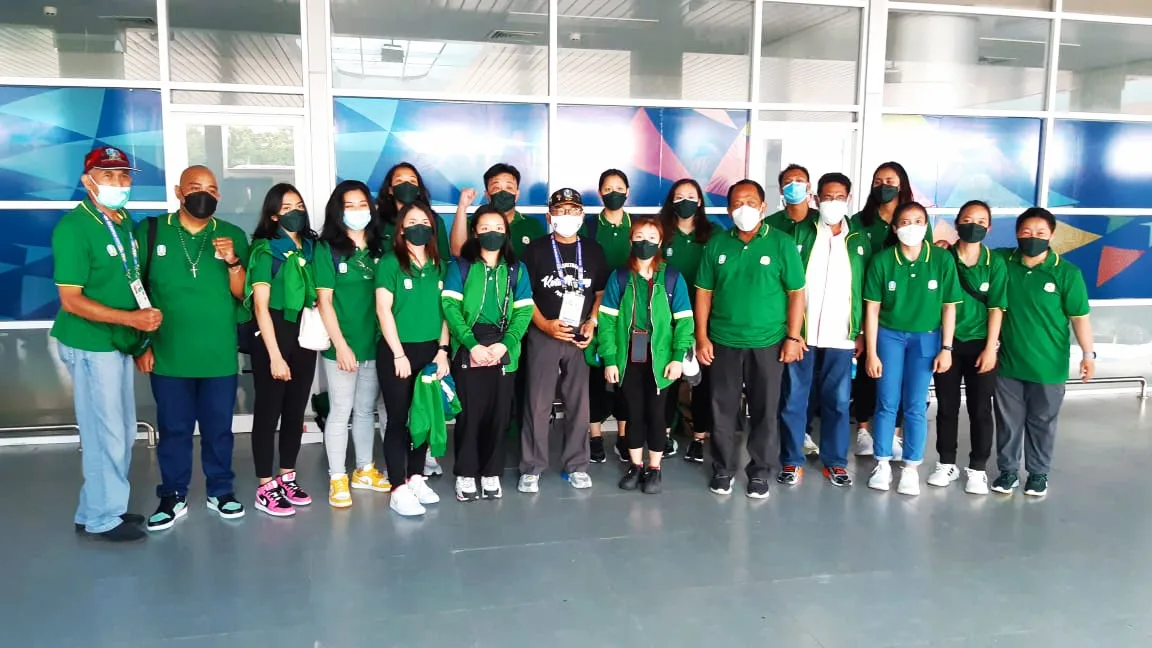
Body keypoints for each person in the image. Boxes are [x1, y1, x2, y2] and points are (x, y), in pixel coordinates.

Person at [52, 146, 159, 542]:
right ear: (88, 180)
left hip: (116, 341)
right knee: (105, 433)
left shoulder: (122, 220)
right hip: (90, 343)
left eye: (124, 176)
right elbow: (71, 300)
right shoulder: (74, 228)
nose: (119, 183)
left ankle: (97, 508)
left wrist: (139, 338)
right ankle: (102, 518)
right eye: (108, 175)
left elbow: (129, 280)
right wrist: (131, 320)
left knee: (121, 429)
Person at [136, 165, 249, 530]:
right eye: (196, 187)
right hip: (169, 353)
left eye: (212, 189)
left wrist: (232, 261)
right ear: (178, 191)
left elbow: (243, 293)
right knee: (174, 429)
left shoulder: (232, 234)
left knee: (219, 429)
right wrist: (141, 345)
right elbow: (135, 290)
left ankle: (221, 491)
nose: (205, 194)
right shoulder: (152, 231)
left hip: (218, 354)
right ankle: (173, 495)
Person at [695, 179, 805, 499]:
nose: (744, 209)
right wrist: (701, 337)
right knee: (722, 410)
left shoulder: (782, 243)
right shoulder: (717, 244)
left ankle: (760, 472)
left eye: (751, 203)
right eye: (737, 204)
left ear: (763, 207)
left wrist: (793, 337)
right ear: (729, 209)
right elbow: (703, 293)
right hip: (723, 341)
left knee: (765, 411)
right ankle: (722, 469)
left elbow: (796, 293)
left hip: (768, 342)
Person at [991, 207, 1094, 498]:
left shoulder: (1067, 273)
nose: (1032, 237)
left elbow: (1080, 318)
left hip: (1049, 365)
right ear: (1016, 233)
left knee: (1042, 423)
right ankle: (1008, 471)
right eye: (1026, 231)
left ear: (1051, 235)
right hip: (1009, 363)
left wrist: (1088, 355)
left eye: (1040, 232)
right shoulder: (1002, 261)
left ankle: (1038, 474)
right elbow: (971, 258)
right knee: (1008, 423)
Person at [862, 201, 961, 496]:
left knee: (916, 405)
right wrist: (871, 352)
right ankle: (882, 463)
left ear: (926, 226)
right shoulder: (882, 261)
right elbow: (872, 309)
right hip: (889, 337)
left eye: (918, 221)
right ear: (895, 228)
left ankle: (910, 468)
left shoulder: (941, 260)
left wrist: (947, 348)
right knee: (887, 401)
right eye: (905, 222)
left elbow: (949, 307)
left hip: (926, 339)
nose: (911, 227)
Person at [778, 172, 871, 488]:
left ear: (848, 199)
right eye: (827, 197)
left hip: (841, 335)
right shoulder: (800, 233)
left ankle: (835, 463)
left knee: (838, 401)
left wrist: (859, 331)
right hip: (801, 333)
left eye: (839, 197)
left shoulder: (858, 240)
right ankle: (791, 460)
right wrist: (791, 331)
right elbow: (788, 285)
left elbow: (863, 289)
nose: (833, 202)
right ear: (816, 198)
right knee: (794, 399)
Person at [519, 188, 609, 493]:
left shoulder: (593, 250)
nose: (566, 216)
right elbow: (524, 295)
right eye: (560, 211)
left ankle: (577, 465)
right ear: (549, 217)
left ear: (582, 216)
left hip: (579, 335)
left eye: (573, 210)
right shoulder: (535, 250)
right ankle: (532, 467)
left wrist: (592, 322)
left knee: (578, 403)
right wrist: (544, 325)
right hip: (544, 333)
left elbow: (599, 292)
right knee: (538, 403)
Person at [442, 205, 534, 502]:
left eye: (498, 228)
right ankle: (466, 473)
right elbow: (450, 307)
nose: (491, 233)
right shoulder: (460, 267)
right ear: (474, 232)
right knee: (469, 414)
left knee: (499, 415)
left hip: (504, 349)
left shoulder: (517, 269)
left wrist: (506, 344)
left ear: (506, 233)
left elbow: (524, 311)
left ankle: (491, 472)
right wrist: (471, 344)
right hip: (469, 346)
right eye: (484, 228)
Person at [598, 218, 694, 494]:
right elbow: (606, 322)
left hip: (661, 359)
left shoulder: (672, 278)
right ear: (631, 241)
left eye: (652, 237)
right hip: (629, 356)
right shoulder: (619, 278)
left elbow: (684, 322)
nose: (645, 242)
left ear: (660, 242)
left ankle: (654, 468)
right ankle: (635, 465)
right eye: (639, 236)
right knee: (633, 412)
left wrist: (677, 357)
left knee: (657, 414)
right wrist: (610, 359)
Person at [246, 183, 319, 517]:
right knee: (268, 412)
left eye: (299, 205)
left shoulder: (312, 249)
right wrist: (275, 355)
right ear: (274, 214)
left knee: (295, 411)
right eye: (287, 207)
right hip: (273, 335)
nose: (295, 212)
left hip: (304, 336)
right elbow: (260, 306)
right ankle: (265, 486)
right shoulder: (265, 250)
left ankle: (287, 475)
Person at [315, 180, 389, 509]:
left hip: (375, 343)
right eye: (350, 205)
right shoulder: (327, 249)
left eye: (362, 205)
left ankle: (364, 470)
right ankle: (337, 477)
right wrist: (341, 345)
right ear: (338, 210)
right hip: (342, 347)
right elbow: (325, 302)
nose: (358, 211)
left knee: (364, 410)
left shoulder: (380, 248)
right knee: (340, 411)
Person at [375, 201, 451, 516]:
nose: (419, 226)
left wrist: (443, 351)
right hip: (397, 352)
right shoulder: (390, 262)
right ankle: (398, 487)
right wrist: (398, 353)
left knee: (423, 417)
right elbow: (383, 310)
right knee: (398, 420)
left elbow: (447, 312)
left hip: (430, 350)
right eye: (412, 221)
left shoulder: (440, 265)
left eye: (424, 221)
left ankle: (416, 477)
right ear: (402, 228)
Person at [927, 200, 1007, 495]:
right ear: (957, 222)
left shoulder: (994, 263)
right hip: (947, 344)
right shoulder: (943, 257)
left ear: (989, 227)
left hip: (981, 345)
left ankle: (977, 468)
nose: (974, 225)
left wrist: (991, 348)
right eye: (968, 219)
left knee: (980, 409)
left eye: (981, 221)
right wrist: (945, 347)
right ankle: (946, 463)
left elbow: (997, 308)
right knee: (946, 407)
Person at [850, 161, 923, 457]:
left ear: (902, 184)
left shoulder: (913, 221)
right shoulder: (860, 221)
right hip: (866, 304)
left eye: (890, 180)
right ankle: (863, 429)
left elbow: (925, 259)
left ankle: (894, 432)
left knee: (900, 377)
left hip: (902, 310)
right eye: (878, 181)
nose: (884, 186)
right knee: (867, 370)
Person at [659, 179, 720, 464]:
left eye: (691, 196)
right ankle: (664, 435)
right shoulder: (662, 232)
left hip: (705, 321)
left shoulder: (714, 234)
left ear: (700, 201)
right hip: (666, 319)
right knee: (667, 380)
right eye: (679, 196)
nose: (685, 201)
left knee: (702, 384)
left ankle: (699, 438)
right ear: (671, 200)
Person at [583, 169, 632, 464]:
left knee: (626, 375)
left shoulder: (637, 226)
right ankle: (595, 436)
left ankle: (624, 437)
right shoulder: (588, 227)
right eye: (608, 188)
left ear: (628, 192)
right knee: (593, 377)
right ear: (600, 192)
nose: (614, 193)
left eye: (619, 188)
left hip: (630, 315)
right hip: (594, 312)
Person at [450, 162, 548, 258]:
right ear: (487, 195)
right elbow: (458, 251)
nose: (503, 192)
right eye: (496, 188)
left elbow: (542, 259)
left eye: (509, 187)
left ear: (517, 194)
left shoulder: (532, 225)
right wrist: (462, 206)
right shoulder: (473, 222)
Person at [375, 162, 451, 260]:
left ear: (418, 190)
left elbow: (444, 260)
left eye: (412, 181)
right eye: (399, 180)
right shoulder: (379, 220)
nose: (406, 185)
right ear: (390, 190)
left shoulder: (434, 220)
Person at [764, 163, 812, 236]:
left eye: (799, 181)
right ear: (781, 190)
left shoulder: (818, 220)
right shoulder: (769, 224)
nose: (793, 185)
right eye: (788, 182)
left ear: (808, 187)